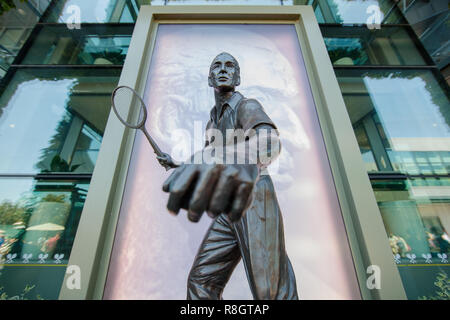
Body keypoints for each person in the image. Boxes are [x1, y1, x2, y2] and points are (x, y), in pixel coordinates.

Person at [158, 52, 298, 300]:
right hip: (228, 206)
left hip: (254, 197)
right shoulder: (213, 121)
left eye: (230, 65)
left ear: (238, 77)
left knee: (270, 288)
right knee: (202, 282)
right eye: (217, 66)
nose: (223, 69)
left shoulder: (247, 106)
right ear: (210, 79)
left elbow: (269, 143)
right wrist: (177, 165)